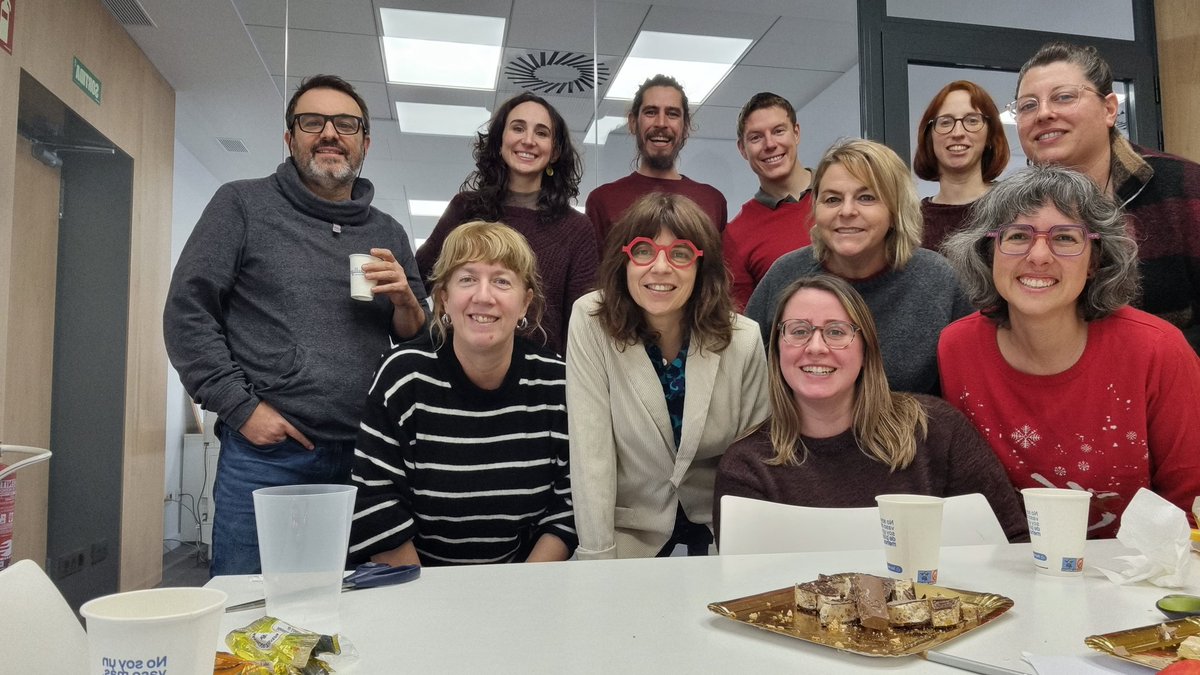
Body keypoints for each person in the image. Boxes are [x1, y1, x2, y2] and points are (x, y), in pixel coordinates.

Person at [164, 75, 428, 576]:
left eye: (345, 123)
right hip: (269, 457)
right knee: (252, 608)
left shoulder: (387, 231)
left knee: (365, 612)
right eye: (313, 122)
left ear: (364, 142)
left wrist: (408, 303)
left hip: (366, 456)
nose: (330, 133)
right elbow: (187, 313)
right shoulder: (241, 205)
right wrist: (241, 408)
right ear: (290, 138)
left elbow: (415, 341)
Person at [939, 165, 1200, 538]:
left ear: (1095, 260)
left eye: (1064, 238)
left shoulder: (1157, 350)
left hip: (1136, 580)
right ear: (988, 252)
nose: (1039, 256)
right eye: (1017, 236)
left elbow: (1191, 506)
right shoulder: (957, 348)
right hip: (1003, 577)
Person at [714, 276, 1028, 544]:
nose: (816, 347)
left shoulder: (936, 430)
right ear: (777, 348)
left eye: (836, 332)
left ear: (866, 350)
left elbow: (1013, 542)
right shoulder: (747, 466)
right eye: (798, 331)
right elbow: (742, 589)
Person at [349, 221, 575, 566]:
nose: (483, 296)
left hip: (522, 585)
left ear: (526, 302)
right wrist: (428, 611)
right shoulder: (403, 376)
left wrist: (525, 596)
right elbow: (377, 506)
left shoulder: (555, 382)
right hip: (413, 585)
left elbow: (568, 505)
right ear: (444, 297)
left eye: (501, 281)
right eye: (467, 279)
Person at [567, 193, 769, 559]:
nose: (660, 267)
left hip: (719, 531)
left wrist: (749, 560)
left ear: (701, 266)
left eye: (680, 253)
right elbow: (590, 453)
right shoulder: (591, 319)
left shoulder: (743, 339)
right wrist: (597, 563)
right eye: (644, 250)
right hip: (628, 532)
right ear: (624, 260)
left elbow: (753, 463)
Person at [1012, 41, 1200, 351]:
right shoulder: (1011, 214)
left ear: (1109, 109)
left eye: (1063, 97)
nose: (1043, 113)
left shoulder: (1184, 188)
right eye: (1028, 105)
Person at [745, 138, 971, 394]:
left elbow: (968, 385)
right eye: (832, 200)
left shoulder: (937, 280)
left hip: (910, 431)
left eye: (866, 197)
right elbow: (748, 376)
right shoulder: (785, 276)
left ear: (896, 210)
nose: (847, 211)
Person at [415, 93, 597, 355]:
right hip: (458, 369)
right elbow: (418, 280)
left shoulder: (576, 229)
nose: (528, 140)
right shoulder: (464, 210)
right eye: (518, 128)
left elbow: (584, 323)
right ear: (500, 141)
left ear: (555, 152)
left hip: (540, 379)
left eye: (542, 133)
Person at [585, 74, 727, 252]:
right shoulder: (602, 201)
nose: (661, 123)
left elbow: (717, 276)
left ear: (685, 127)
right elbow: (598, 278)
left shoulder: (712, 201)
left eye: (672, 114)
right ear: (633, 123)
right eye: (651, 112)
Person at [724, 92, 815, 311]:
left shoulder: (844, 196)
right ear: (742, 149)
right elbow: (745, 326)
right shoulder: (736, 235)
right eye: (756, 137)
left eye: (778, 131)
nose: (770, 144)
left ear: (796, 133)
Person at [913, 80, 1010, 252]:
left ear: (989, 136)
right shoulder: (911, 222)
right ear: (930, 137)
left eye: (972, 121)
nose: (958, 133)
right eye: (945, 122)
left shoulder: (1013, 207)